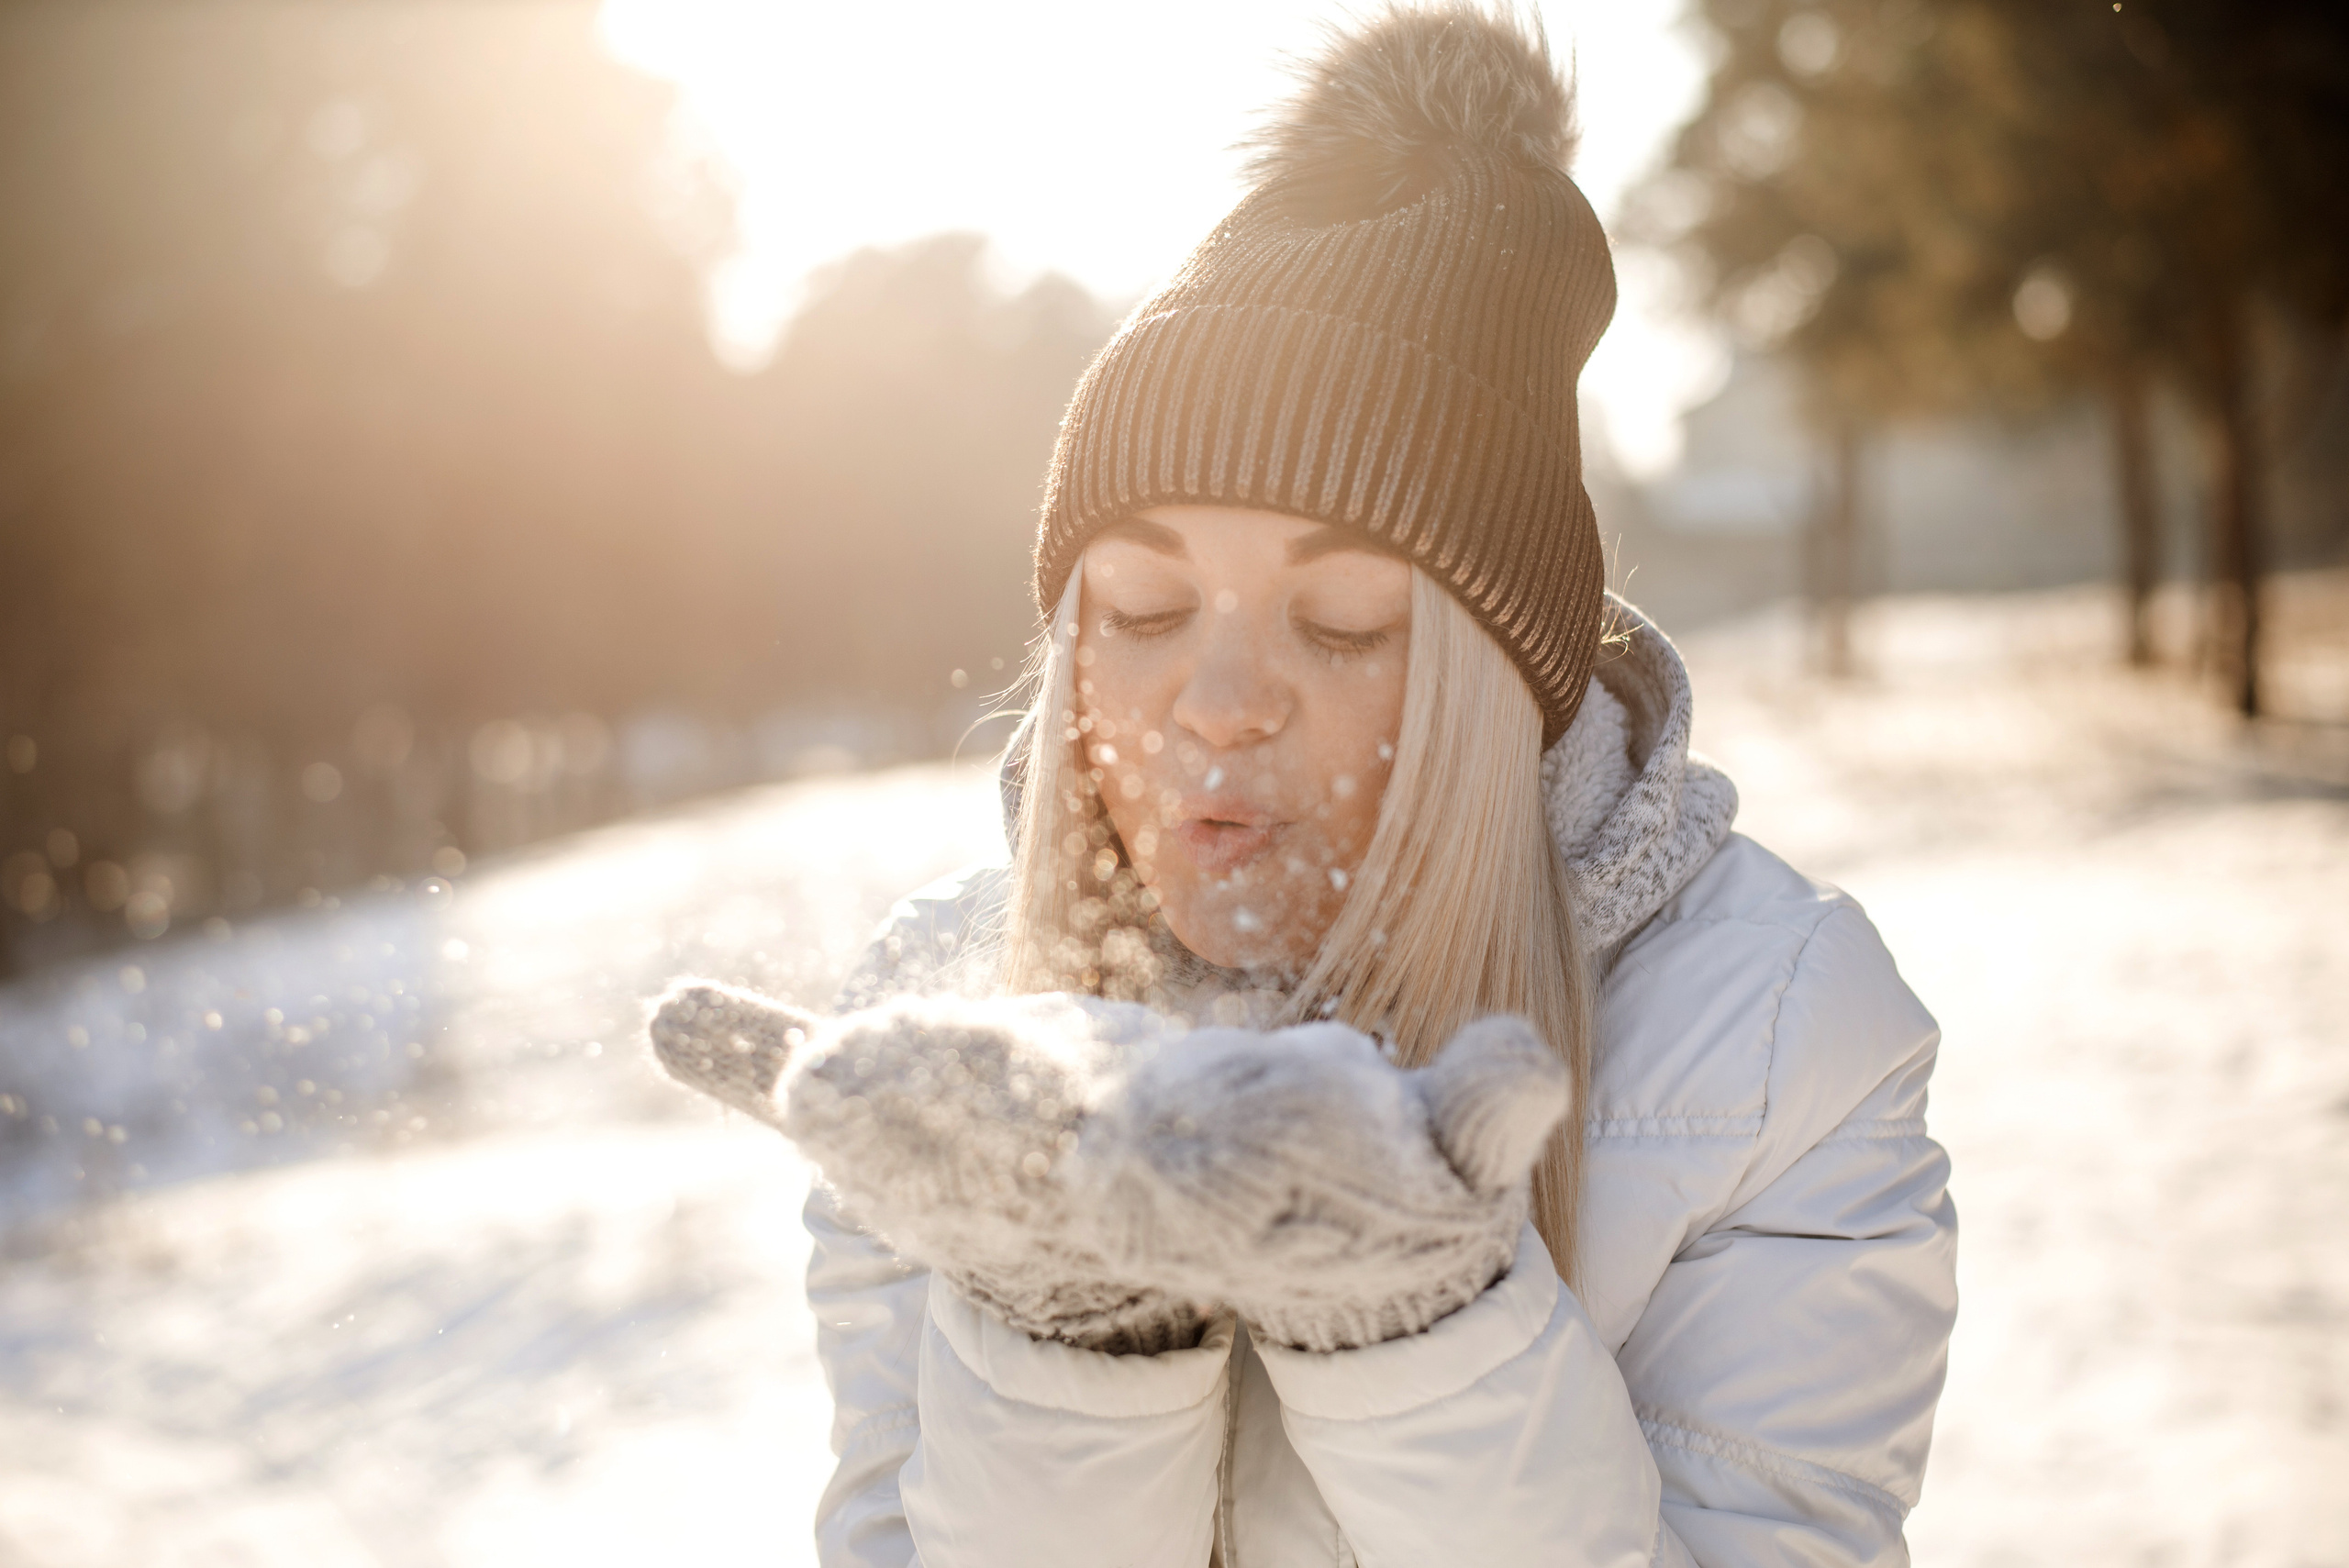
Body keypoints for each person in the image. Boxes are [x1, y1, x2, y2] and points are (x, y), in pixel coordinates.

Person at [650, 6, 1956, 1564]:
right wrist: (1063, 1325)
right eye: (1140, 611)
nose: (1214, 705)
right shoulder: (956, 1026)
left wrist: (1416, 1325)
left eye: (1342, 623)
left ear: (1496, 684)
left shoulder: (1781, 1040)